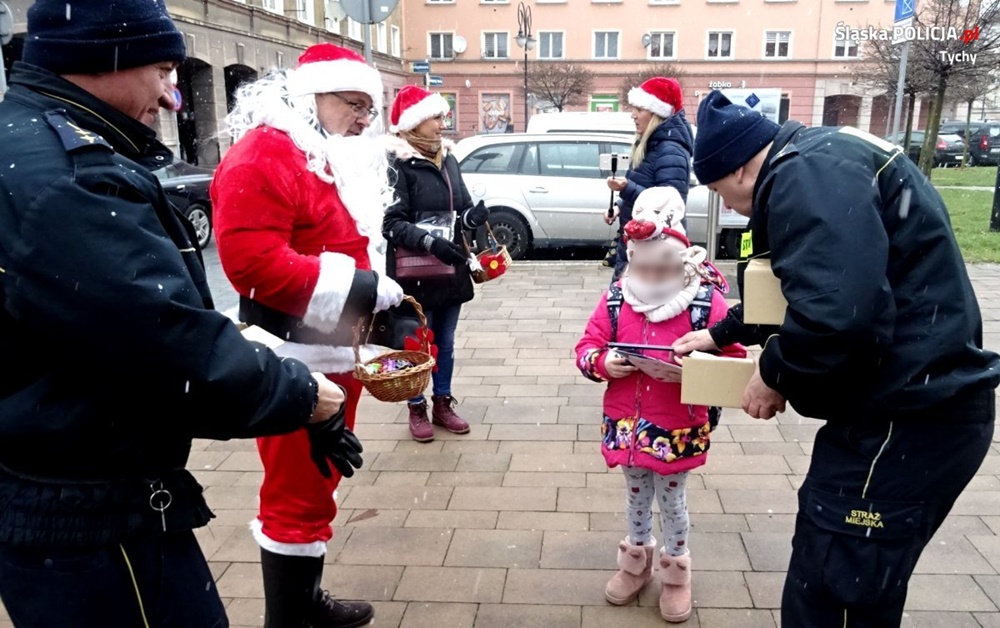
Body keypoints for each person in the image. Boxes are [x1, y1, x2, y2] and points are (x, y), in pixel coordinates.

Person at [0, 2, 358, 627]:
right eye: (164, 68)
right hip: (91, 504)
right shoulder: (68, 177)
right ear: (102, 56)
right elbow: (165, 337)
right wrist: (303, 393)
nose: (173, 97)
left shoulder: (29, 140)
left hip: (67, 476)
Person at [675, 90, 1000, 627]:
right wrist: (723, 332)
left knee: (834, 587)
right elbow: (810, 282)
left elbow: (841, 316)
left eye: (717, 191)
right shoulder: (819, 158)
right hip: (911, 408)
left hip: (908, 421)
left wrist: (773, 372)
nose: (727, 207)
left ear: (736, 168)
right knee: (842, 573)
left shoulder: (806, 177)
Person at [211, 43, 404, 628]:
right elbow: (251, 261)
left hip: (333, 351)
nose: (365, 120)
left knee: (318, 484)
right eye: (355, 104)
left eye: (371, 109)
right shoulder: (267, 152)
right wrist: (365, 290)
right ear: (312, 93)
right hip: (292, 357)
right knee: (296, 494)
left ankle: (303, 599)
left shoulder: (321, 150)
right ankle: (290, 617)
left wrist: (384, 310)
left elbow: (345, 241)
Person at [576, 187, 746, 623]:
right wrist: (602, 362)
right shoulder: (617, 297)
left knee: (672, 500)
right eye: (642, 267)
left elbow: (735, 359)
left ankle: (676, 572)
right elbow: (588, 344)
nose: (650, 277)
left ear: (681, 260)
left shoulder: (705, 302)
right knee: (635, 497)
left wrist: (693, 370)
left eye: (662, 268)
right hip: (627, 421)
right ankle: (636, 562)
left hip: (676, 424)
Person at [383, 85, 489, 442]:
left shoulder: (448, 158)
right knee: (417, 341)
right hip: (414, 270)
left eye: (442, 117)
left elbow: (459, 208)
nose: (443, 124)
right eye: (436, 117)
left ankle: (442, 402)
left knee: (445, 339)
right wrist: (429, 242)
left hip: (450, 266)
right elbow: (391, 223)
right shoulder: (396, 164)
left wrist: (473, 218)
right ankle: (416, 406)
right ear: (414, 122)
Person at [605, 78, 693, 281]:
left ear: (657, 113)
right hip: (641, 245)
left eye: (639, 109)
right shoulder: (653, 145)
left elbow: (669, 207)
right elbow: (647, 188)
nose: (632, 115)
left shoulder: (669, 150)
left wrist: (627, 188)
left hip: (654, 255)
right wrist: (620, 206)